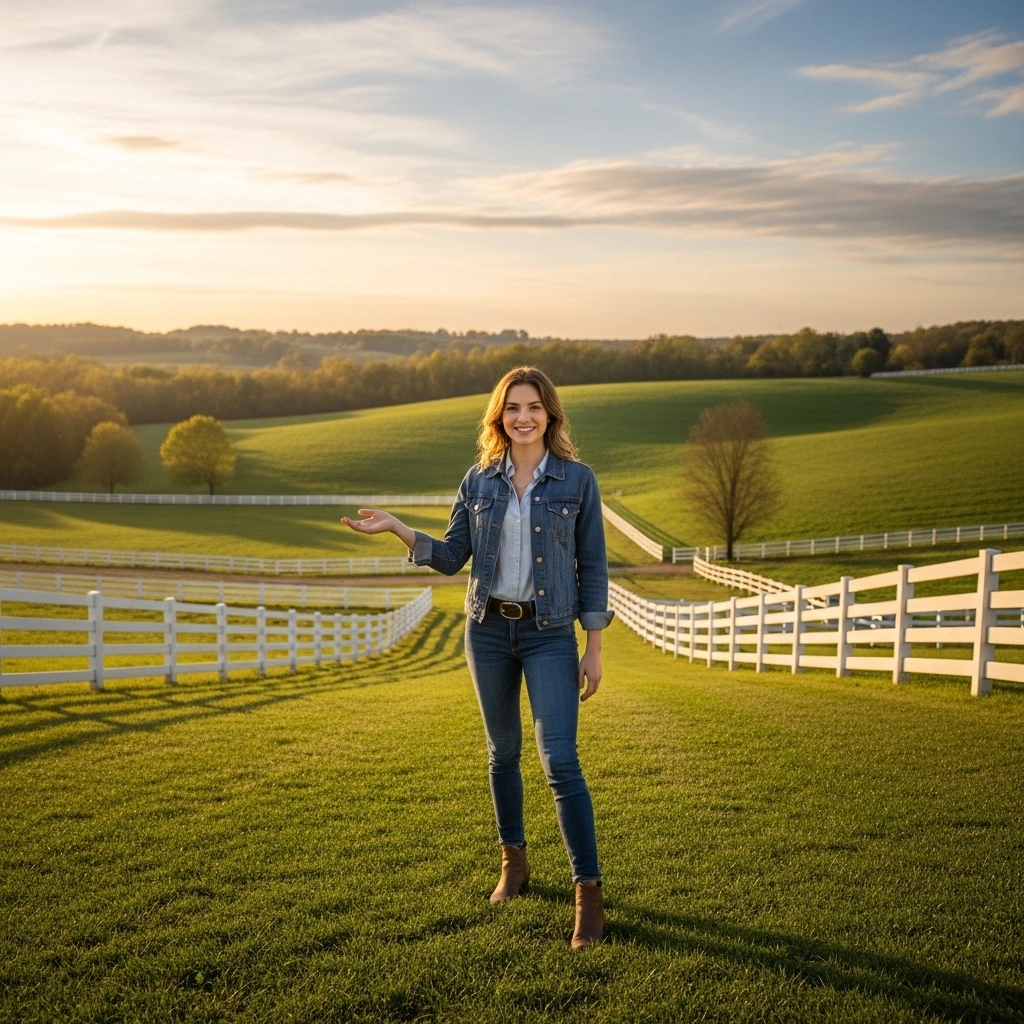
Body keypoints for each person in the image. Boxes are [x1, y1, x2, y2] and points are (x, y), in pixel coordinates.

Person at [341, 365, 613, 949]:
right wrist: (399, 529)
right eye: (513, 407)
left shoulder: (576, 481)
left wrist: (593, 647)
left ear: (550, 414)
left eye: (534, 406)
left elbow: (592, 567)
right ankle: (513, 863)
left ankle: (587, 893)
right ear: (499, 415)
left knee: (559, 760)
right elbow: (452, 556)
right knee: (502, 753)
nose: (523, 417)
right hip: (486, 630)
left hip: (548, 634)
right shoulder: (479, 481)